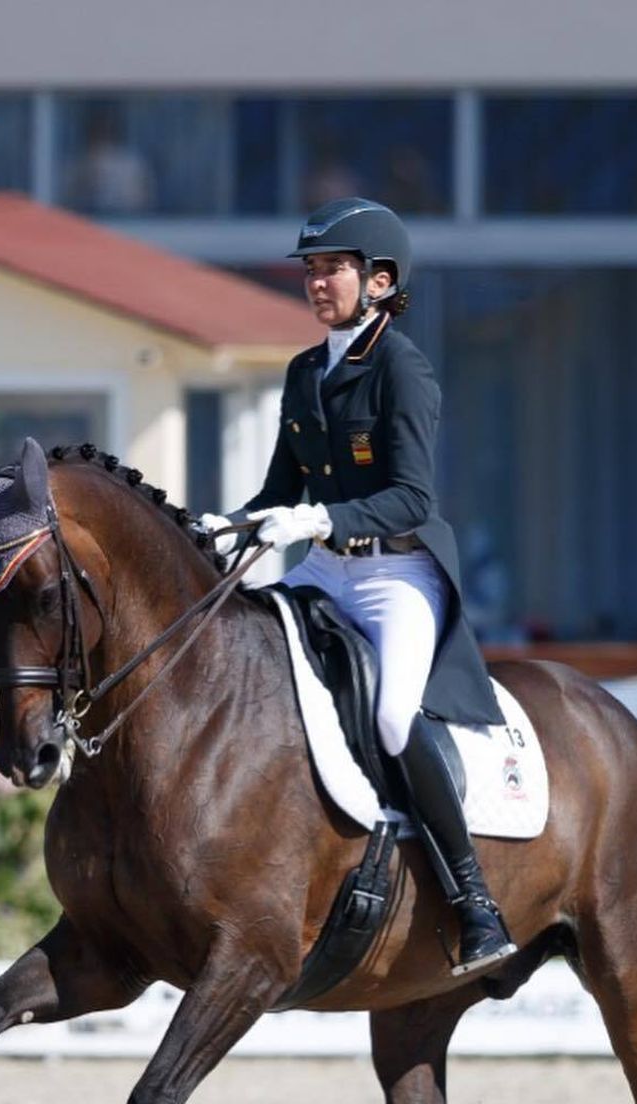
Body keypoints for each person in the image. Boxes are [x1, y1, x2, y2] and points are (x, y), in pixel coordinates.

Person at [198, 197, 515, 976]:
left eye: (333, 269)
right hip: (323, 569)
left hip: (394, 574)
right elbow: (281, 488)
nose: (317, 283)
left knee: (393, 717)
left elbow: (411, 497)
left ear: (379, 281)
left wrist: (316, 519)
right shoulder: (306, 370)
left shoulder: (403, 369)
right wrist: (226, 524)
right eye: (310, 270)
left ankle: (474, 901)